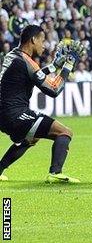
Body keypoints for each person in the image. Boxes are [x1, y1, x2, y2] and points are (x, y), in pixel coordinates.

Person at [0, 28, 83, 183]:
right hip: (15, 114)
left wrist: (54, 65)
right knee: (64, 132)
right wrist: (68, 65)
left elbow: (32, 75)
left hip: (4, 114)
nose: (44, 46)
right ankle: (55, 173)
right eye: (42, 40)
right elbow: (53, 89)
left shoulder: (14, 56)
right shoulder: (26, 61)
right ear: (33, 40)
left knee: (30, 138)